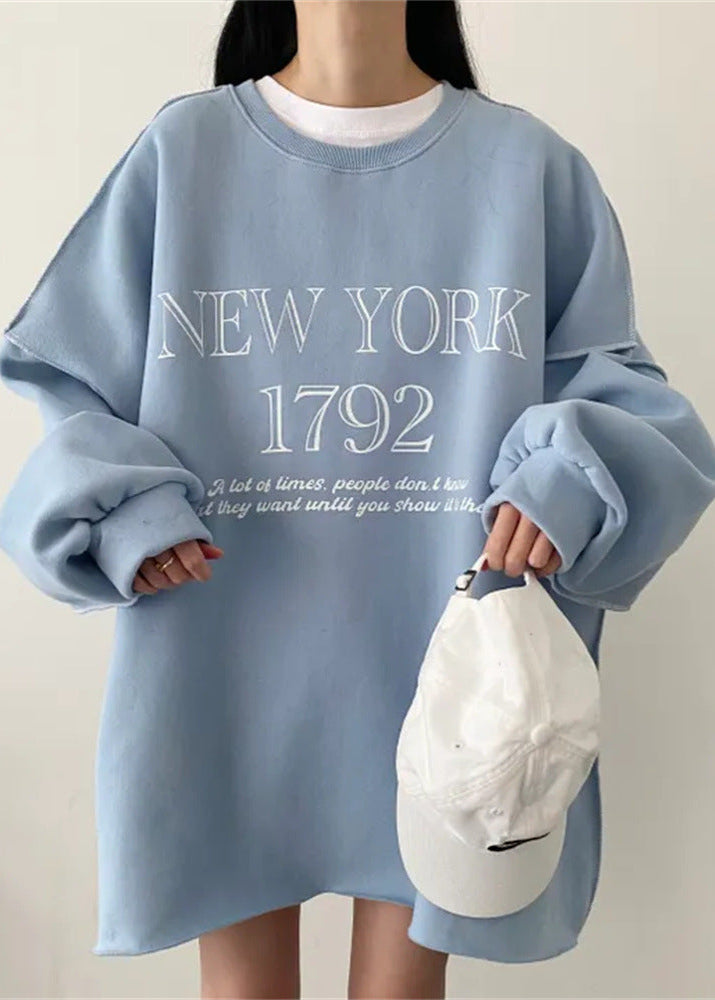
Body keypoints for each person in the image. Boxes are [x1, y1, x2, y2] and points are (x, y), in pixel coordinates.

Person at [0, 2, 713, 998]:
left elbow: (630, 403)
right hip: (222, 658)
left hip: (449, 678)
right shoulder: (184, 153)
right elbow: (69, 376)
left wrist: (563, 487)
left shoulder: (526, 169)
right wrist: (128, 513)